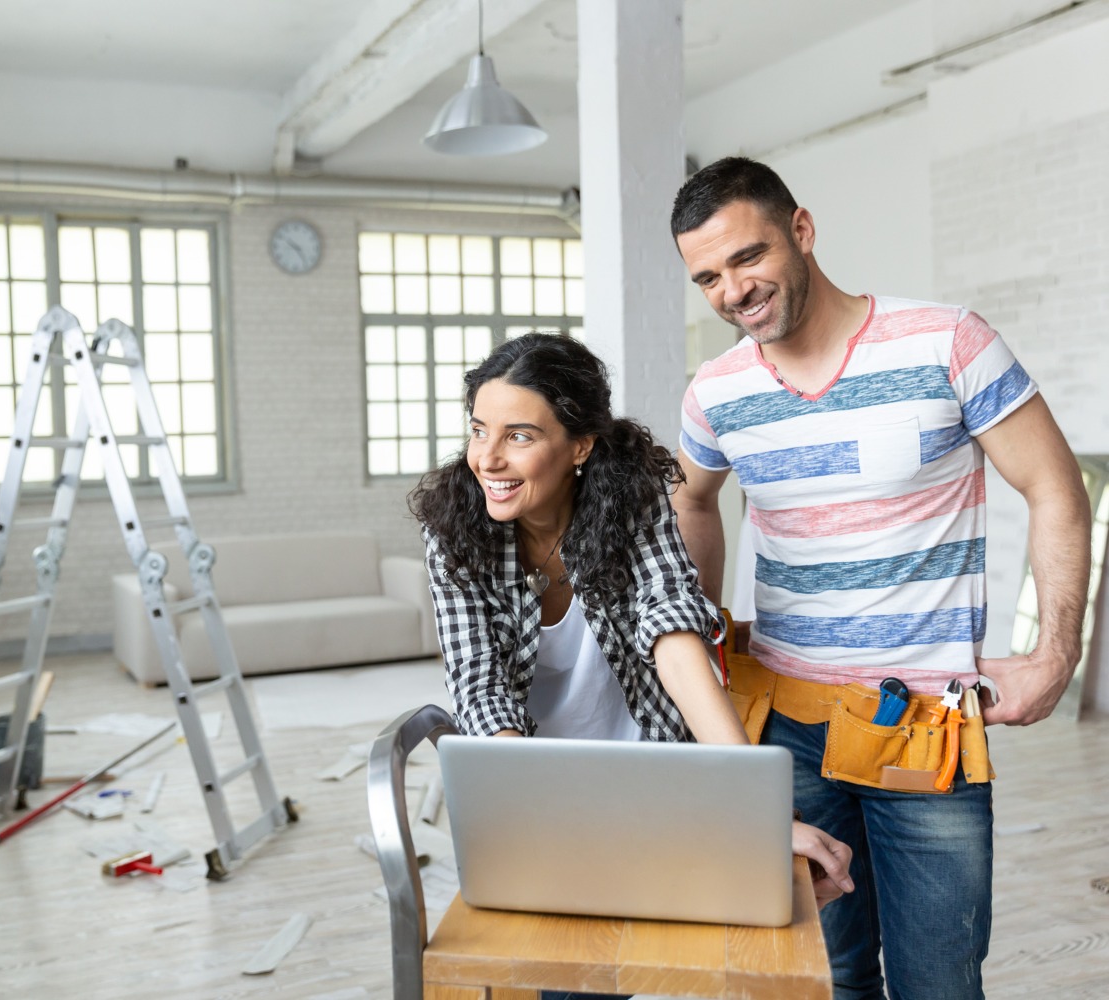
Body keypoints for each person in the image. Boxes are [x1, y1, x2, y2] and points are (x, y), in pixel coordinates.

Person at [669, 157, 1092, 1000]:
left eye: (747, 258)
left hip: (925, 732)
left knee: (938, 983)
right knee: (827, 978)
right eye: (707, 276)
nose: (732, 291)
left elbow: (1056, 488)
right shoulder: (715, 392)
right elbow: (694, 503)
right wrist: (709, 634)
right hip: (787, 728)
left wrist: (1054, 653)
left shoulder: (946, 340)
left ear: (802, 230)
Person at [409, 333, 854, 1000]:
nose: (487, 459)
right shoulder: (454, 531)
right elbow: (480, 689)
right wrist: (534, 806)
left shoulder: (635, 502)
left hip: (652, 777)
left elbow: (676, 635)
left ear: (580, 445)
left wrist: (753, 808)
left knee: (707, 951)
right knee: (572, 974)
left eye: (519, 436)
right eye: (478, 430)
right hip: (539, 793)